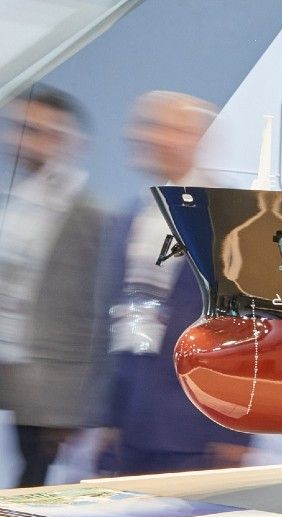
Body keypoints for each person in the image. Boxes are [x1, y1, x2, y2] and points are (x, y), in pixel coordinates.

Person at [97, 91, 252, 475]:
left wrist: (236, 431)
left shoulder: (230, 215)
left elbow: (248, 327)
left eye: (164, 127)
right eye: (145, 125)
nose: (147, 136)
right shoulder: (133, 213)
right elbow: (118, 321)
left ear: (198, 139)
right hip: (131, 420)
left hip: (194, 427)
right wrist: (107, 417)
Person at [0, 87, 105, 487]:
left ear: (66, 140)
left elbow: (92, 312)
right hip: (14, 371)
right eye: (18, 128)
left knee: (33, 487)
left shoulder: (86, 213)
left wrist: (75, 405)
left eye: (35, 131)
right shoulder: (17, 200)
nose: (20, 140)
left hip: (50, 390)